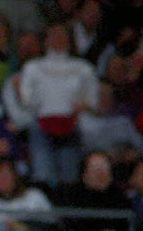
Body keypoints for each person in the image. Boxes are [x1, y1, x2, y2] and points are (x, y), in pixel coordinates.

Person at [20, 22, 100, 187]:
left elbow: (93, 100)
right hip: (41, 125)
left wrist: (83, 106)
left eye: (62, 35)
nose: (57, 39)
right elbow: (26, 100)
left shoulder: (83, 68)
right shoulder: (32, 67)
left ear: (69, 39)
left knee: (69, 180)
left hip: (71, 125)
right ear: (46, 40)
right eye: (53, 35)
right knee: (42, 175)